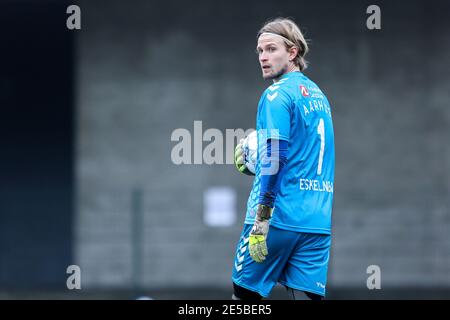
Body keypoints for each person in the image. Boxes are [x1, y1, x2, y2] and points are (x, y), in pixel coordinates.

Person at [233, 17, 335, 300]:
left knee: (243, 297)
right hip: (316, 222)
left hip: (278, 218)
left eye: (271, 49)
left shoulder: (276, 94)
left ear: (292, 52)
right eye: (260, 51)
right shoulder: (319, 95)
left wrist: (262, 218)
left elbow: (275, 154)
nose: (263, 58)